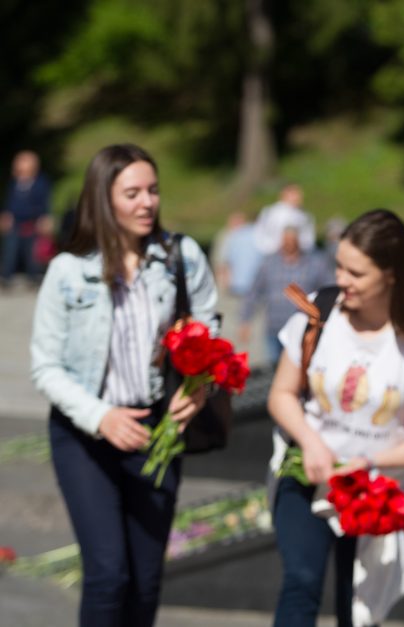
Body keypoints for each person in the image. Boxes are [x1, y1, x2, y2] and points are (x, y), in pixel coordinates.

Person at [30, 143, 218, 627]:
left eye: (153, 190)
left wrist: (198, 386)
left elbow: (209, 328)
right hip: (86, 436)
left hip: (157, 431)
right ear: (102, 198)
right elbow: (45, 365)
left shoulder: (181, 256)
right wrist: (101, 416)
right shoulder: (68, 271)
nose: (147, 203)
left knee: (146, 578)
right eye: (132, 192)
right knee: (108, 574)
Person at [267, 209, 404, 627]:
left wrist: (372, 464)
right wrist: (311, 443)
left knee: (358, 607)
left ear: (391, 275)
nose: (341, 280)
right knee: (301, 580)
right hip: (305, 475)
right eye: (339, 266)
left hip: (374, 491)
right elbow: (281, 395)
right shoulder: (321, 311)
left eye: (356, 273)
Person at [239, 226, 332, 365]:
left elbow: (329, 288)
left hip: (303, 327)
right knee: (273, 367)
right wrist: (245, 320)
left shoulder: (315, 263)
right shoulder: (268, 263)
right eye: (286, 239)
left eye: (292, 239)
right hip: (274, 327)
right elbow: (254, 292)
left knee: (299, 365)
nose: (289, 243)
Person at [1, 150, 52, 287]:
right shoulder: (14, 183)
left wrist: (45, 218)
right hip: (16, 222)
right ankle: (6, 276)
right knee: (10, 250)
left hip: (33, 222)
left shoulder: (40, 183)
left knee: (32, 252)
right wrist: (6, 215)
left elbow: (45, 202)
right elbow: (9, 202)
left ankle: (33, 276)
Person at [254, 183, 316, 255]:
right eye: (295, 194)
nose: (300, 197)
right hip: (275, 255)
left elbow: (308, 240)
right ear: (284, 195)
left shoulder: (305, 215)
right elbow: (262, 236)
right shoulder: (271, 213)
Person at [214, 210, 263, 297]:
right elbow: (222, 263)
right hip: (235, 285)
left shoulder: (237, 235)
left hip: (239, 285)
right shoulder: (228, 236)